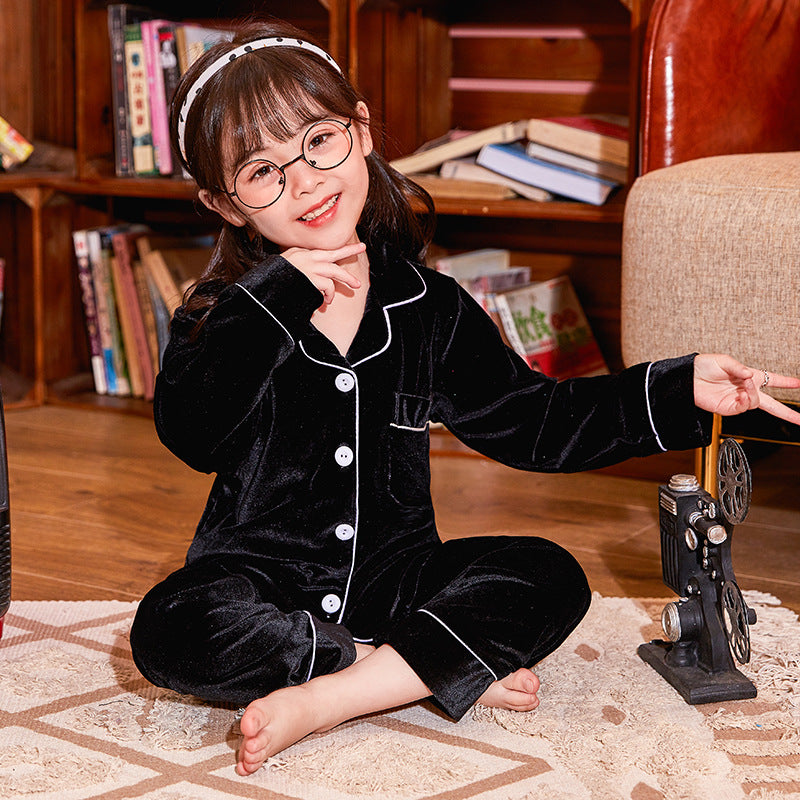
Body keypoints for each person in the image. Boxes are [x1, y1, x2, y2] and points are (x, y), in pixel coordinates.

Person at [129, 20, 800, 777]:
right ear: (225, 205)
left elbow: (537, 423)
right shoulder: (226, 317)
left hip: (396, 582)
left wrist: (679, 389)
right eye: (263, 171)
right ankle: (408, 668)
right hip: (259, 584)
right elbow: (192, 436)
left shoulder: (431, 307)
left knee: (549, 574)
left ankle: (334, 695)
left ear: (361, 130)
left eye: (318, 141)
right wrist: (278, 296)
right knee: (167, 628)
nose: (306, 181)